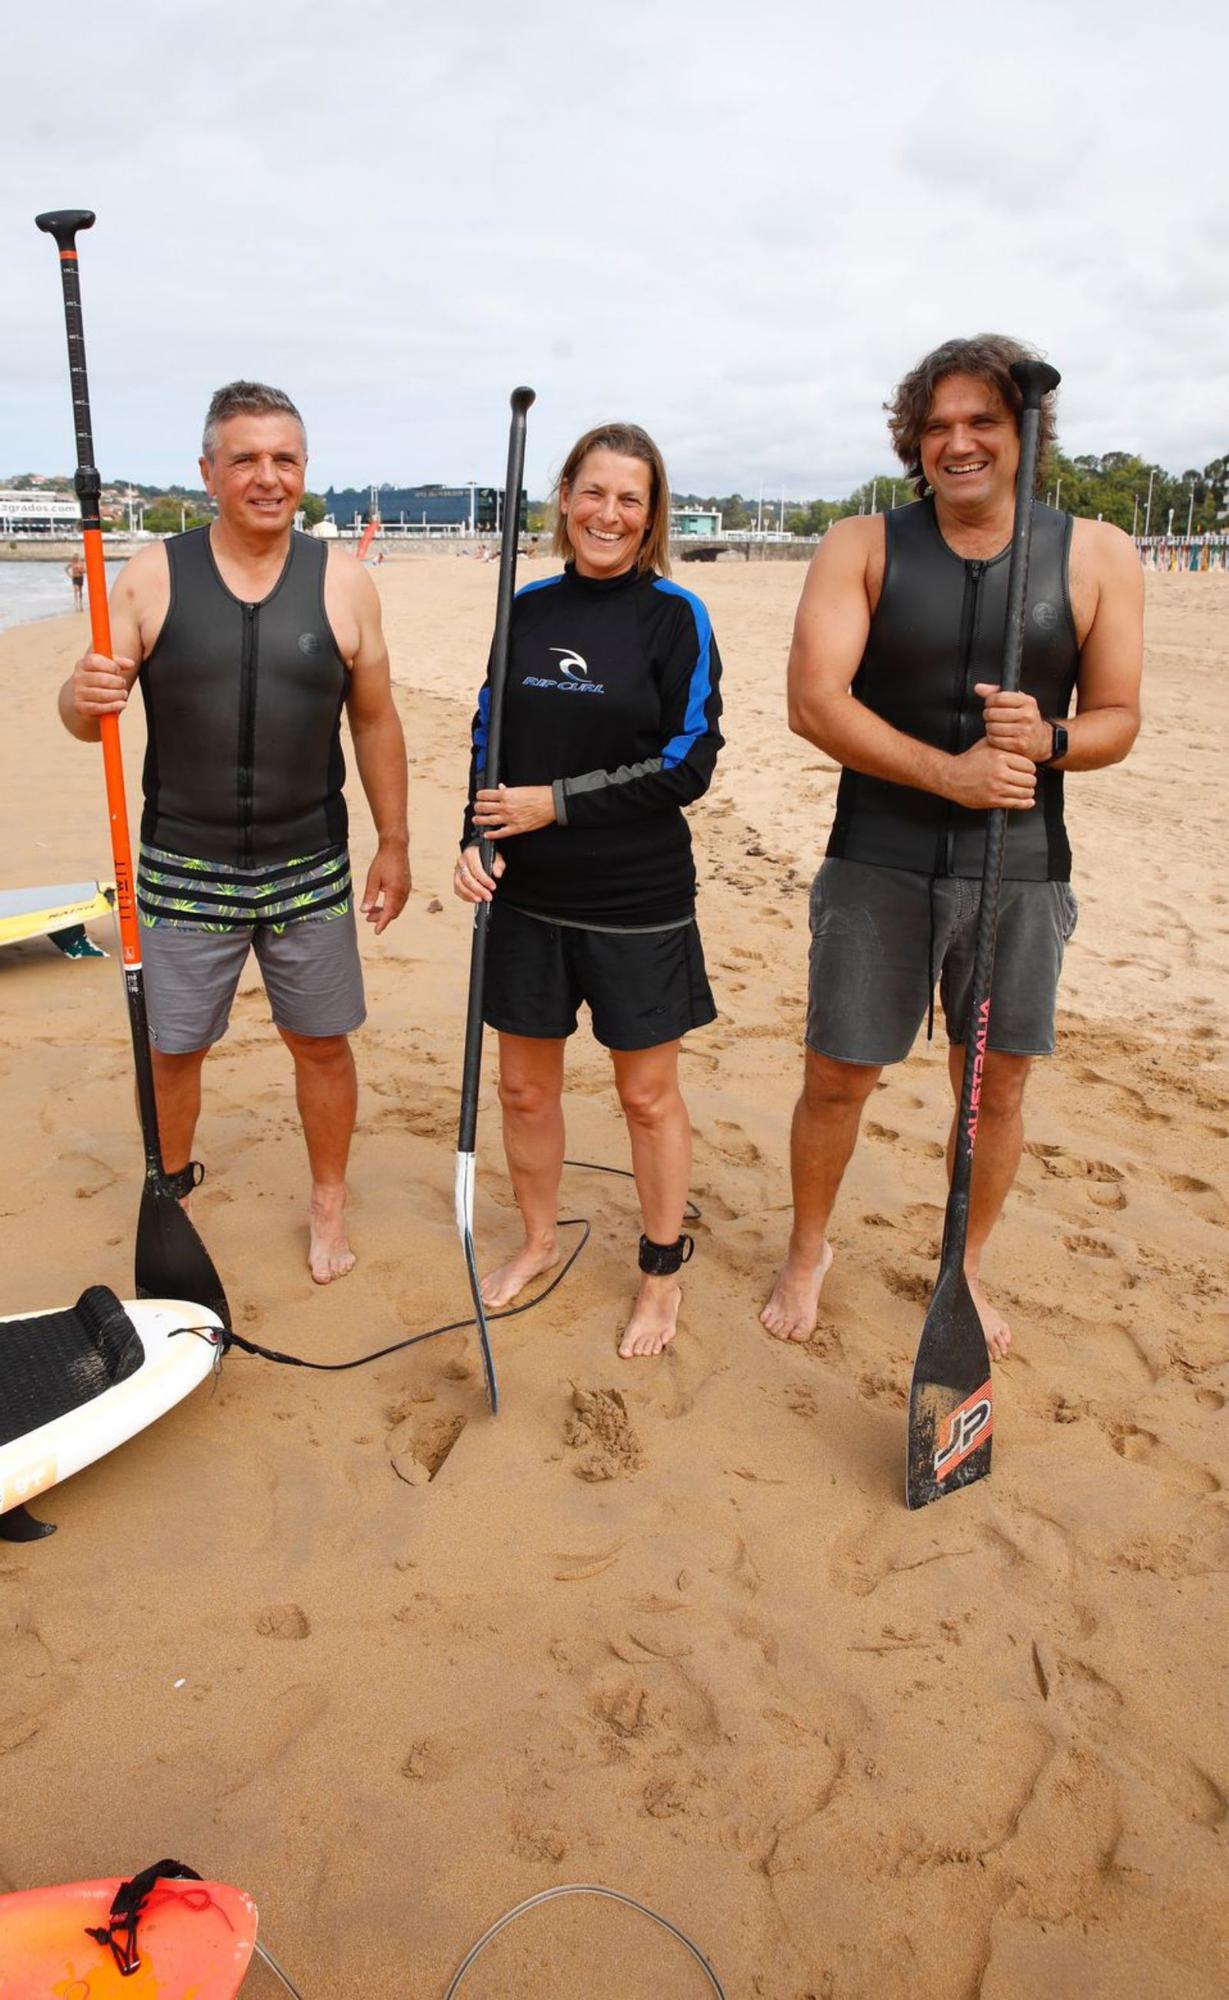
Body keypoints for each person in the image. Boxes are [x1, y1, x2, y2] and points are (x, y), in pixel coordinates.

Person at [761, 334, 1143, 1356]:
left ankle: (962, 1267)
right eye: (935, 426)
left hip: (1020, 868)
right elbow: (811, 703)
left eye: (980, 421)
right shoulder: (862, 543)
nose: (956, 442)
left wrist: (1048, 739)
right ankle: (807, 1247)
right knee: (839, 1072)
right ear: (911, 441)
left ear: (1022, 431)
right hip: (875, 855)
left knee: (995, 1082)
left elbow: (1115, 718)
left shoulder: (1096, 552)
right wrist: (950, 773)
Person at [59, 381, 410, 1283]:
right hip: (183, 862)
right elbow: (85, 706)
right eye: (245, 458)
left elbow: (374, 722)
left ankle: (327, 1204)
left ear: (304, 471)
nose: (267, 476)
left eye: (284, 458)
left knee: (321, 1045)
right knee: (172, 1048)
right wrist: (80, 695)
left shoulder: (341, 581)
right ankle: (168, 1196)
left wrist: (395, 842)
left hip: (309, 864)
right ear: (207, 471)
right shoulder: (152, 574)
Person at [454, 422, 723, 1358]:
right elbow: (491, 738)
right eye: (594, 492)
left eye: (630, 498)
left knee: (646, 1098)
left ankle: (660, 1273)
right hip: (526, 897)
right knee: (524, 1092)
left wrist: (554, 806)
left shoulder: (673, 617)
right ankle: (537, 1238)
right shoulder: (522, 608)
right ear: (564, 497)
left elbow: (689, 764)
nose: (609, 513)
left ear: (650, 517)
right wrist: (475, 837)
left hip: (635, 899)